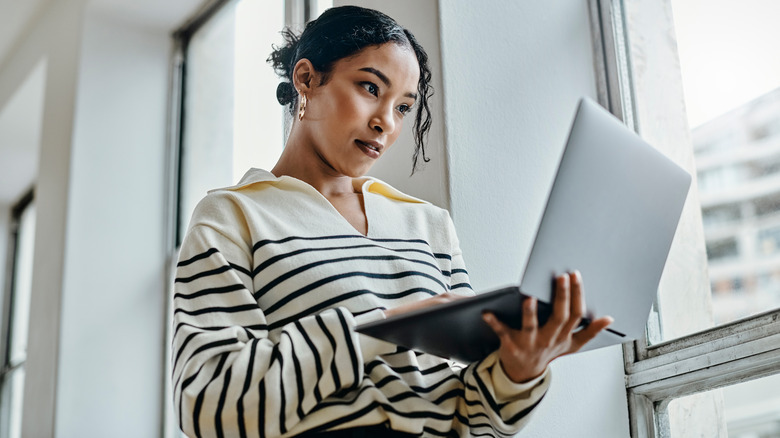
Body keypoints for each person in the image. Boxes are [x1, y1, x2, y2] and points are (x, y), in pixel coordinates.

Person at [171, 5, 612, 438]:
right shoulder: (232, 216)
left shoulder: (428, 226)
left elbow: (474, 418)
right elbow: (208, 402)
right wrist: (386, 326)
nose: (386, 122)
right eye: (369, 88)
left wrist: (518, 373)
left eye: (403, 107)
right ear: (306, 79)